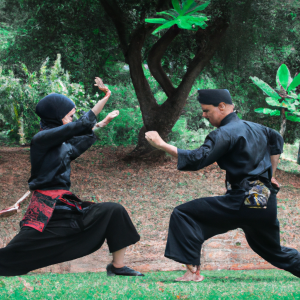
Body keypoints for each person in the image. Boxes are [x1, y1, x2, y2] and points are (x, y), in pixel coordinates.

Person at [145, 89, 300, 282]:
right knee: (273, 250)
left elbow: (197, 159)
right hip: (262, 193)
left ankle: (192, 274)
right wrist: (271, 175)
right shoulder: (258, 128)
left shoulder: (224, 133)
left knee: (184, 214)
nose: (204, 114)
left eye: (206, 110)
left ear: (222, 107)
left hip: (245, 196)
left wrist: (161, 144)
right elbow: (277, 139)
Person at [0, 77, 143, 277]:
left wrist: (102, 123)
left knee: (114, 211)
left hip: (65, 207)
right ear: (55, 116)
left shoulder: (62, 144)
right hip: (45, 210)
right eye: (69, 116)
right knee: (9, 258)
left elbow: (78, 140)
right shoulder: (41, 139)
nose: (72, 120)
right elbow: (79, 126)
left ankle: (117, 267)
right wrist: (106, 97)